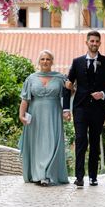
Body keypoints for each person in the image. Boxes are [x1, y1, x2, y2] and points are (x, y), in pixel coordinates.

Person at [63, 31, 105, 187]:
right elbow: (67, 85)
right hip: (80, 108)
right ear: (87, 43)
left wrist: (104, 94)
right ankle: (79, 177)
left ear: (100, 43)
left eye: (97, 41)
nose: (94, 43)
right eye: (91, 41)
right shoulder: (77, 62)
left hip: (98, 109)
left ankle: (93, 176)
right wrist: (66, 108)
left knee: (94, 142)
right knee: (80, 141)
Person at [18, 50, 70, 186]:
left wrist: (67, 111)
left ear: (52, 62)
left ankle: (48, 174)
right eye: (42, 59)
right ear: (39, 62)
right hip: (35, 115)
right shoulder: (31, 79)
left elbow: (68, 94)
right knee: (38, 145)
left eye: (48, 59)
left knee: (52, 143)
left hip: (54, 114)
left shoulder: (60, 78)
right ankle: (39, 175)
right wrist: (21, 115)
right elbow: (25, 99)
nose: (45, 62)